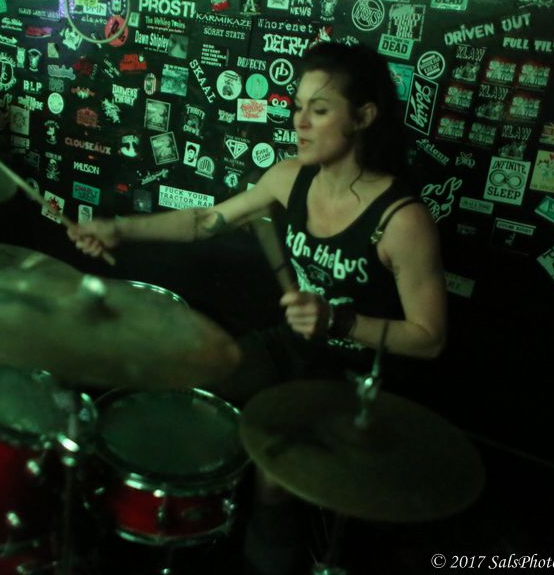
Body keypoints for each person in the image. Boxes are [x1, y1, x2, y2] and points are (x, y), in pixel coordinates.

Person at [68, 42, 447, 574]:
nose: (300, 123)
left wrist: (340, 320)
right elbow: (204, 222)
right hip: (290, 348)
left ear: (363, 117)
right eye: (298, 107)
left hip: (355, 378)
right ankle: (162, 536)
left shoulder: (401, 220)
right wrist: (119, 229)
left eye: (319, 110)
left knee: (276, 474)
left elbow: (429, 338)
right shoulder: (289, 178)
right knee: (186, 388)